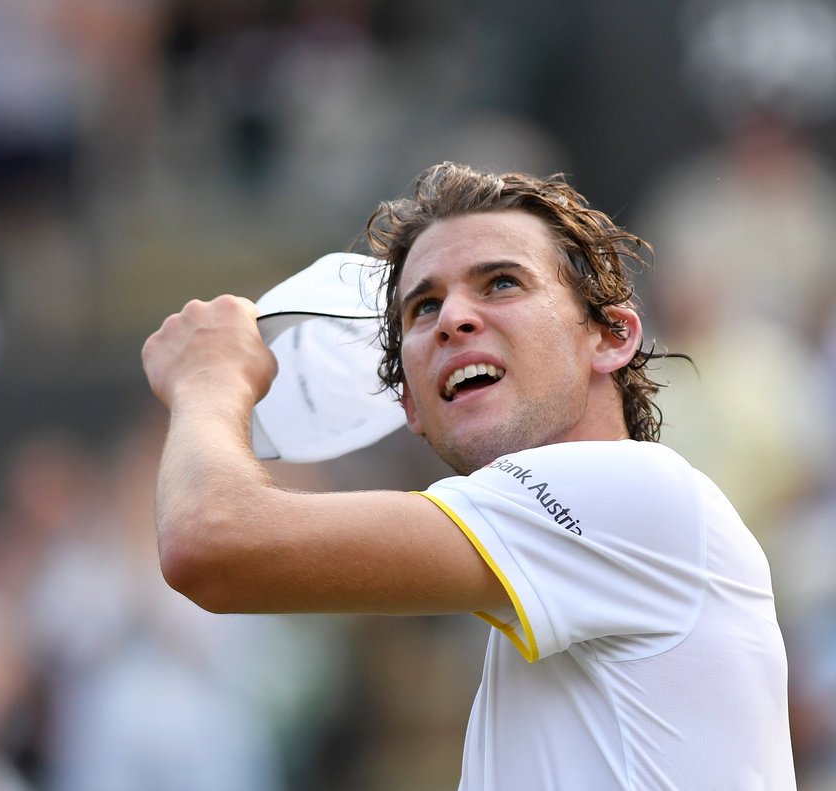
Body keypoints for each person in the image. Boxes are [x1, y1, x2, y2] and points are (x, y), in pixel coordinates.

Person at [141, 162, 796, 790]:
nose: (453, 318)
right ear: (409, 406)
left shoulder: (633, 489)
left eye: (502, 283)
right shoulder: (583, 547)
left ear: (611, 335)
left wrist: (209, 380)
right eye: (423, 307)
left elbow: (211, 540)